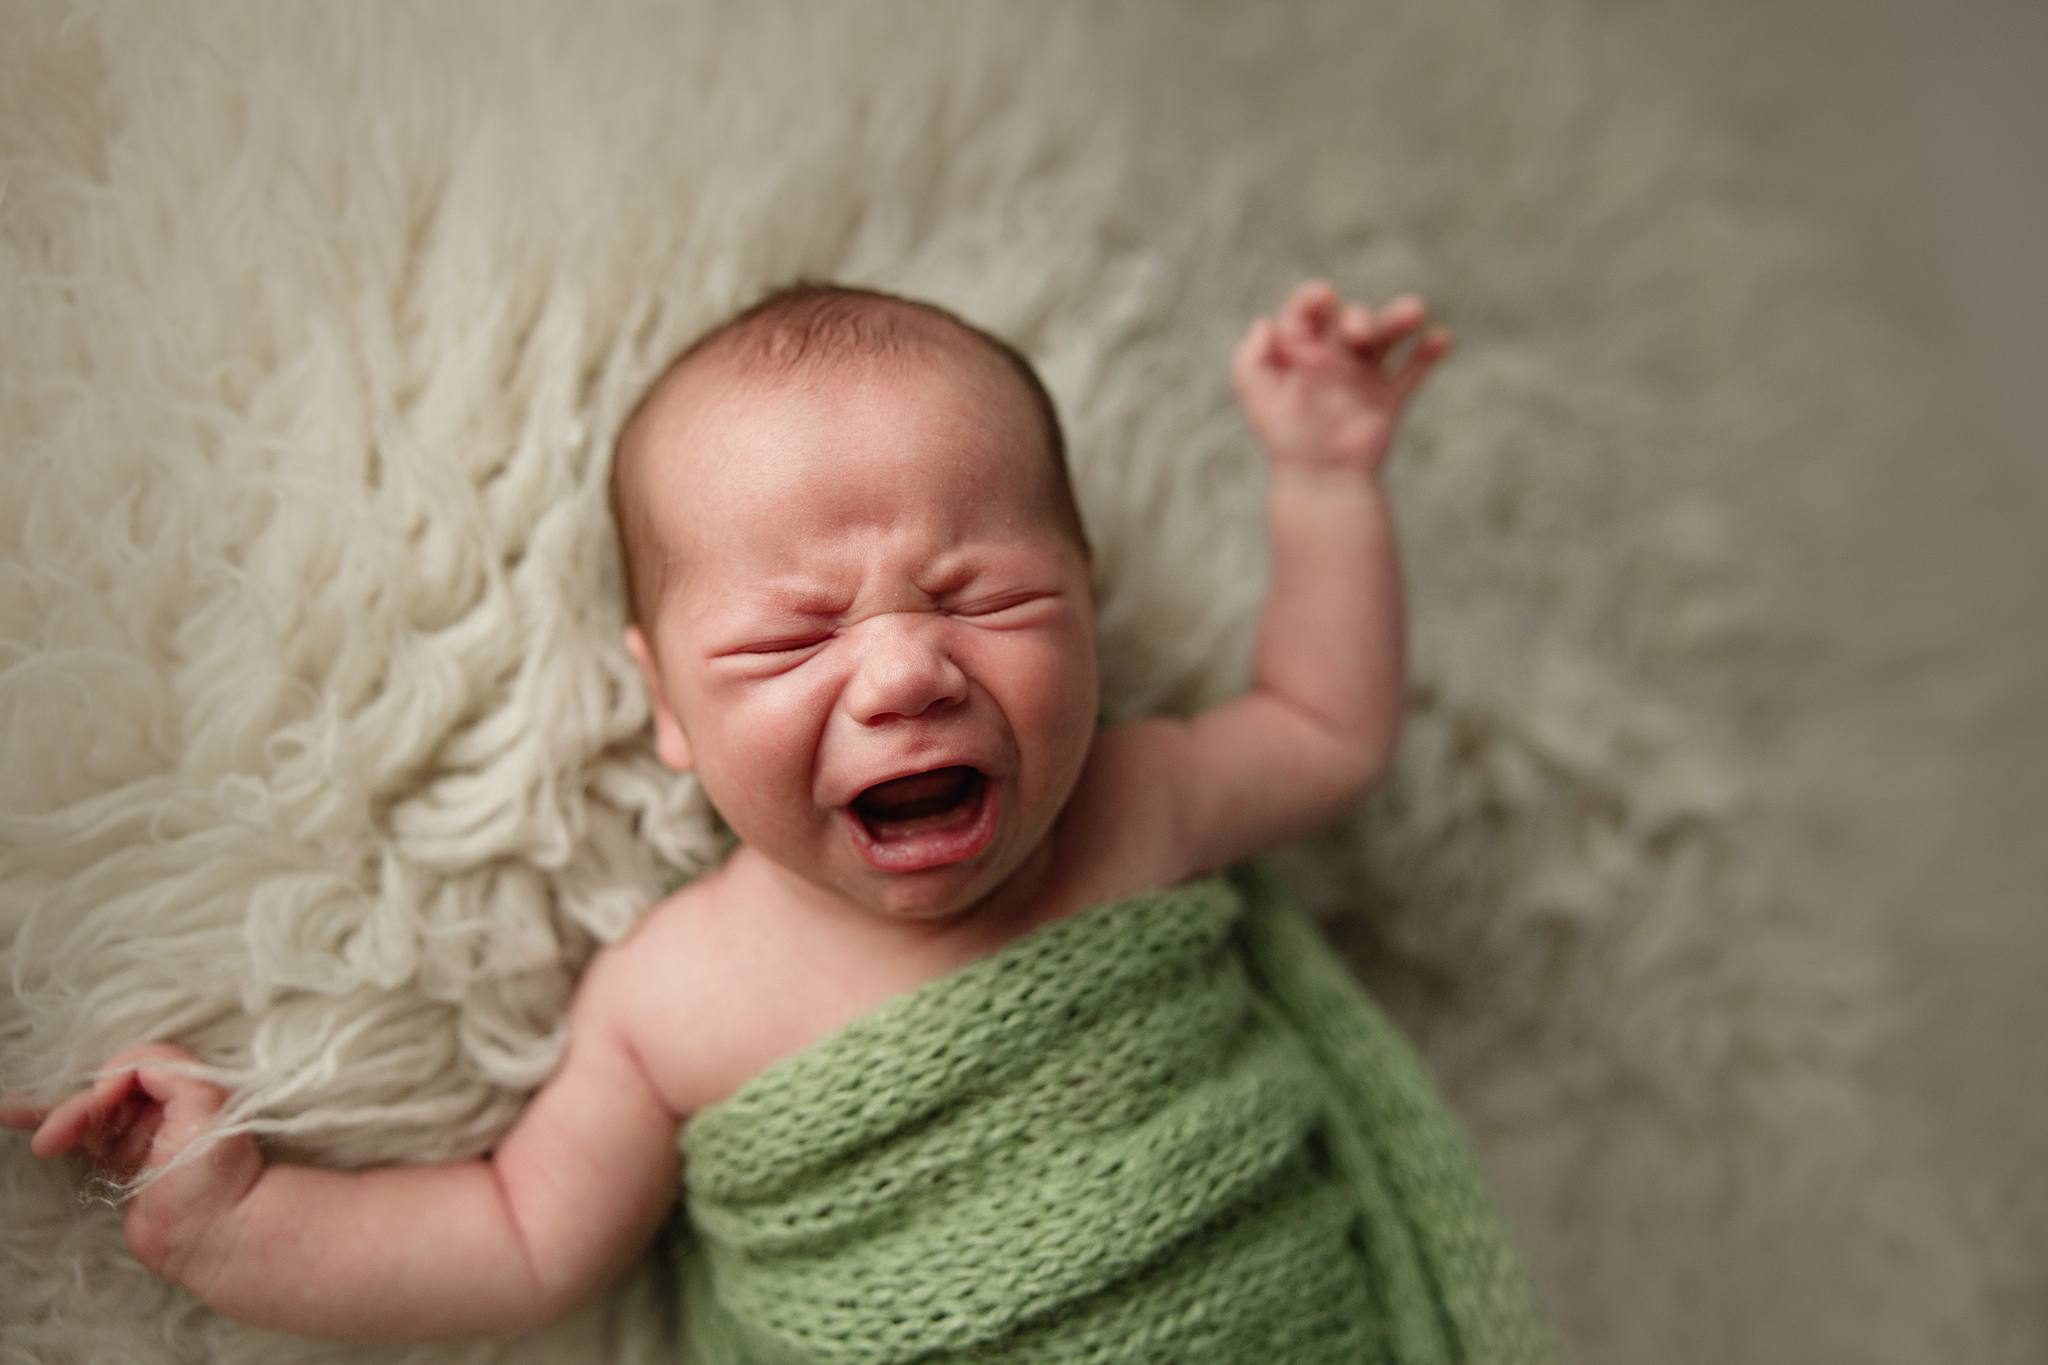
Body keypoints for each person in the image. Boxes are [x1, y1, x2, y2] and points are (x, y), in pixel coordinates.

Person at [3, 279, 1455, 1344]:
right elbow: (514, 1242)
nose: (904, 667)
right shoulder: (676, 995)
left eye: (984, 596)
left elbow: (1328, 728)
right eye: (788, 640)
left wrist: (1324, 480)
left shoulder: (1141, 801)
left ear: (1092, 613)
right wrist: (240, 1219)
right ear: (668, 713)